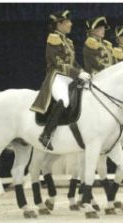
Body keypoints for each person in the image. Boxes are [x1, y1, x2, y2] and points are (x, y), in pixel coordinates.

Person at [30, 10, 91, 150]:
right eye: (68, 21)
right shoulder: (54, 38)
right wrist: (77, 73)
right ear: (59, 24)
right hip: (57, 77)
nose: (71, 24)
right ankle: (46, 134)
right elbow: (58, 63)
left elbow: (73, 62)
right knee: (64, 100)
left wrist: (82, 71)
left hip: (69, 77)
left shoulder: (68, 41)